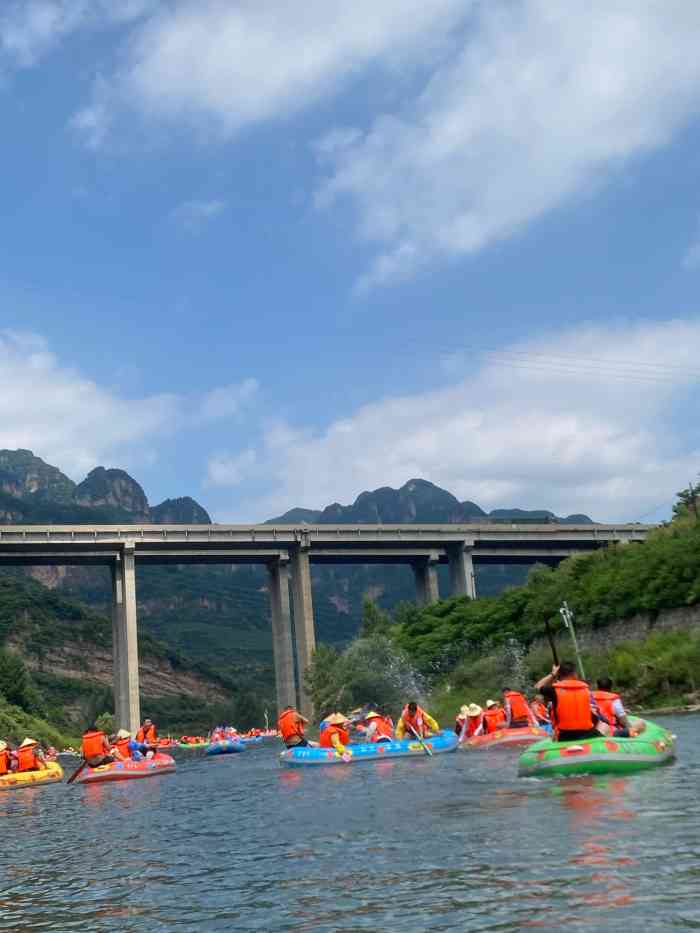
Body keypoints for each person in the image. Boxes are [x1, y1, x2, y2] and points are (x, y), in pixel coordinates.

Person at [535, 661, 602, 741]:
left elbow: (538, 686)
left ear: (559, 674)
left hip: (565, 735)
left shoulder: (554, 690)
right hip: (587, 733)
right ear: (574, 674)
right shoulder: (585, 689)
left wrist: (553, 674)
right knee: (603, 725)